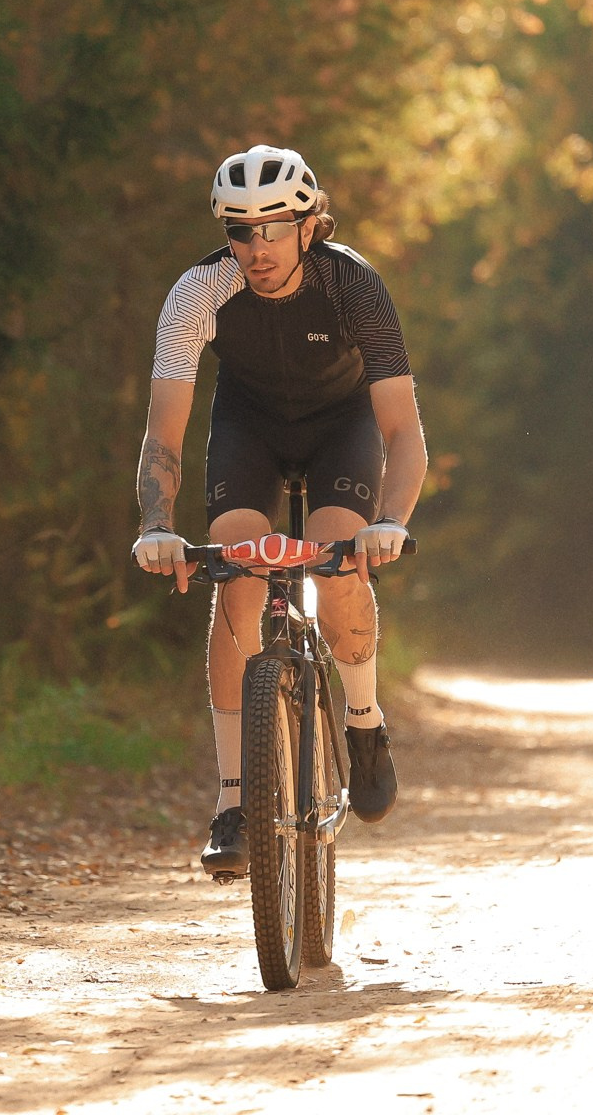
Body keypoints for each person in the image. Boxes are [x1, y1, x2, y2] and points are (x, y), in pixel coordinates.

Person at [131, 144, 428, 873]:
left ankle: (363, 722)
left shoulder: (352, 284)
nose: (256, 248)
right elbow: (163, 433)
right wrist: (156, 526)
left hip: (340, 429)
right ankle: (236, 799)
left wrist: (391, 521)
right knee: (236, 574)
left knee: (338, 564)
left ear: (309, 225)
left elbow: (402, 431)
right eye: (240, 231)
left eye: (272, 229)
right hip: (251, 428)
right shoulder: (197, 293)